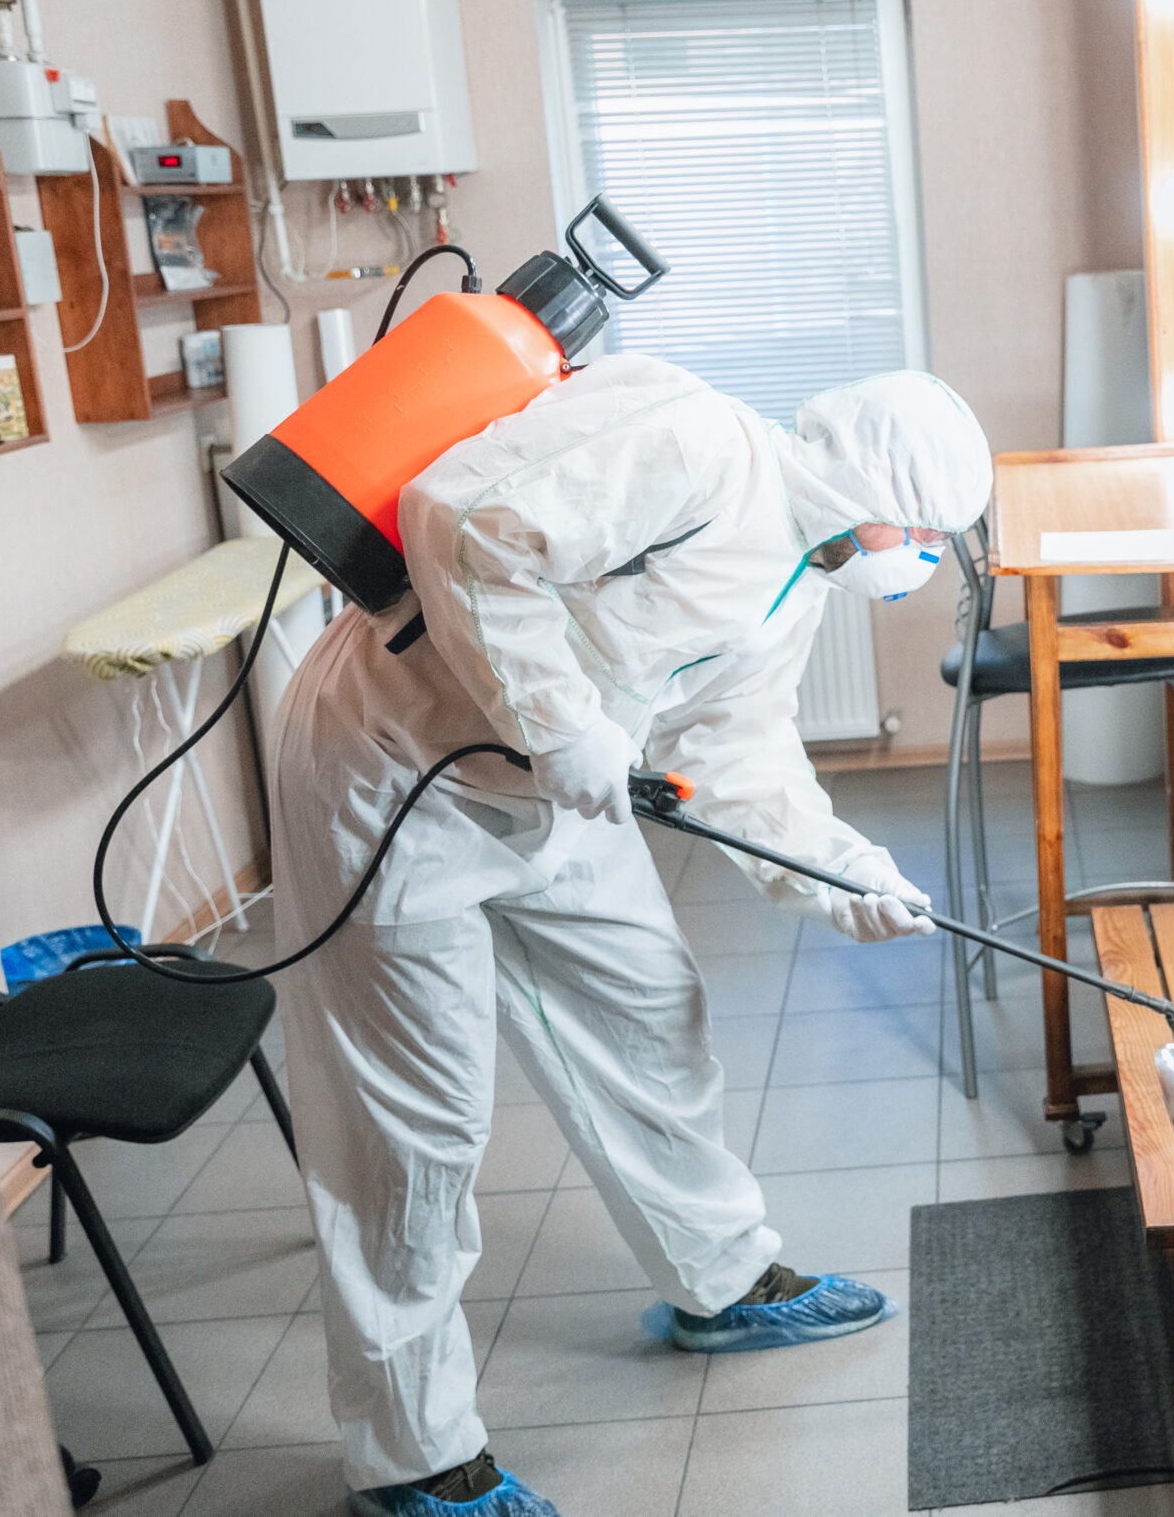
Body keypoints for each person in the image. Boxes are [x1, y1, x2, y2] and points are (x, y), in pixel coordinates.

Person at [269, 359, 992, 1517]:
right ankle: (413, 1458)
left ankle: (722, 1280)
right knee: (413, 1129)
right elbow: (462, 520)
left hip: (549, 794)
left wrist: (845, 874)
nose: (918, 562)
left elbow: (739, 757)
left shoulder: (797, 582)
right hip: (393, 772)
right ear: (876, 489)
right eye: (922, 535)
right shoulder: (697, 443)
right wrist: (562, 726)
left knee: (652, 1014)